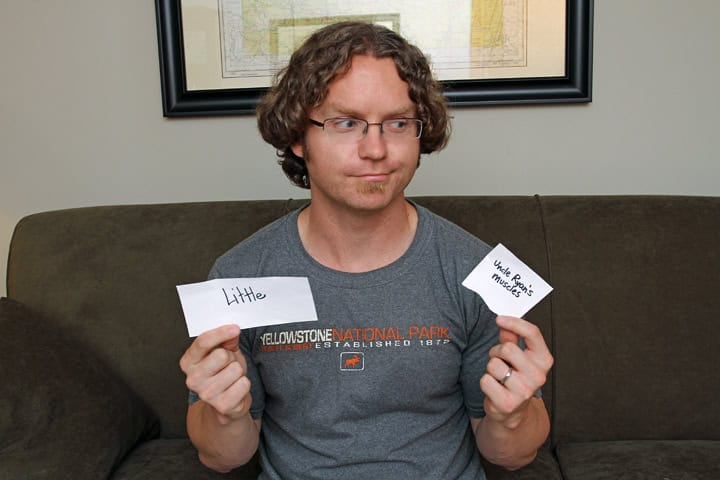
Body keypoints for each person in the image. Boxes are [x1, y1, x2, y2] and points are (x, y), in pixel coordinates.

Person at [180, 21, 553, 479]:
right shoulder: (239, 276)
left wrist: (512, 416)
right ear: (298, 137)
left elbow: (511, 454)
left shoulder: (476, 272)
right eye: (346, 123)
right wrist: (225, 415)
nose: (375, 149)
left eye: (398, 123)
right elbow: (223, 457)